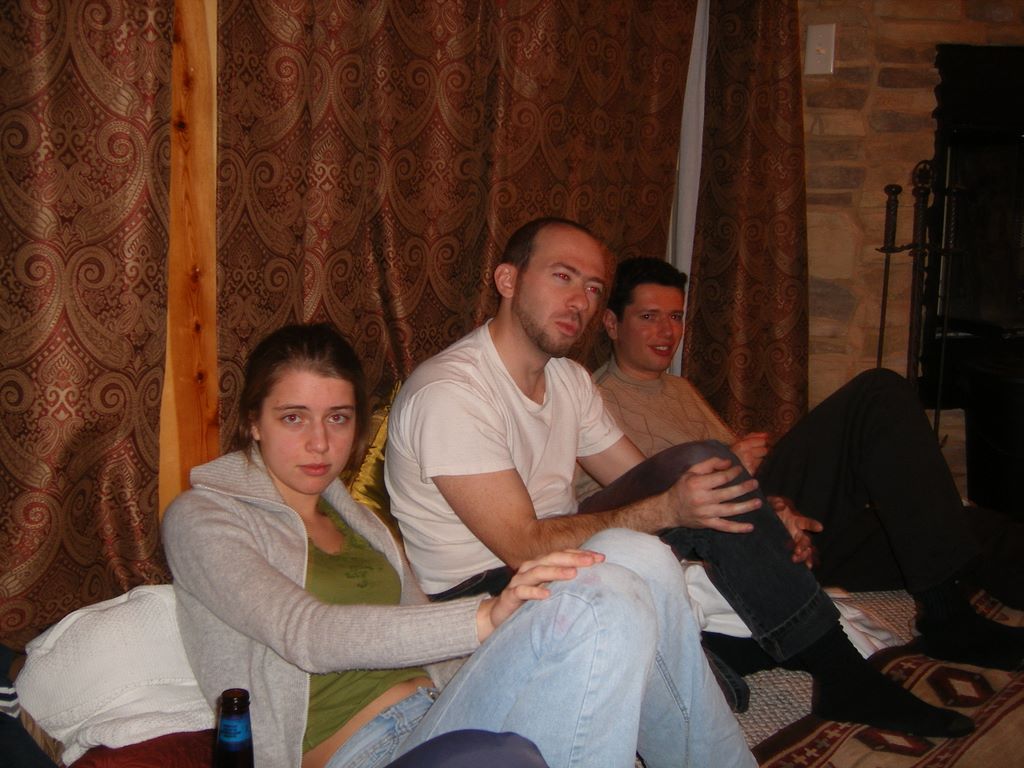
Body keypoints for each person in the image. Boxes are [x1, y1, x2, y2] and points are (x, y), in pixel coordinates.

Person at [385, 216, 975, 739]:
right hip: (490, 592)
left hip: (562, 558)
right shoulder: (452, 393)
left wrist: (760, 509)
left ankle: (807, 667)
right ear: (508, 279)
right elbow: (522, 544)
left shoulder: (568, 380)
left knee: (701, 470)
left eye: (592, 288)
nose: (580, 301)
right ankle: (819, 674)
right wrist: (670, 509)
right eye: (562, 277)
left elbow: (648, 475)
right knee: (695, 521)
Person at [162, 322, 754, 768]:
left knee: (637, 555)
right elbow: (306, 634)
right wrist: (487, 617)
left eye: (338, 418)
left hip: (441, 713)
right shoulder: (204, 516)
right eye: (294, 418)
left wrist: (517, 652)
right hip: (368, 754)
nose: (320, 442)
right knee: (591, 611)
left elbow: (429, 643)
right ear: (253, 422)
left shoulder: (360, 523)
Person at [576, 256, 1024, 674]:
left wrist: (774, 499)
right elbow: (624, 511)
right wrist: (733, 467)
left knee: (956, 525)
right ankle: (948, 619)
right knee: (878, 394)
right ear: (613, 323)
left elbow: (751, 466)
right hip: (728, 541)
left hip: (783, 527)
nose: (666, 331)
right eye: (648, 316)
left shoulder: (680, 389)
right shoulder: (594, 402)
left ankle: (952, 597)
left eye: (675, 317)